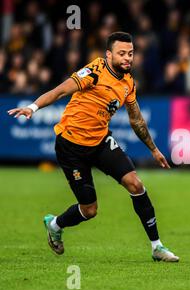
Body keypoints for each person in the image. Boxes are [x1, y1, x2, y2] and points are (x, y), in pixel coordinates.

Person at [7, 32, 179, 262]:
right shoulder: (94, 72)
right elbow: (61, 90)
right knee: (90, 210)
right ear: (108, 55)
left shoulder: (128, 82)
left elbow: (136, 119)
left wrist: (154, 150)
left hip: (100, 142)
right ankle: (55, 224)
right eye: (122, 53)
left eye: (130, 53)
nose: (127, 58)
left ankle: (157, 247)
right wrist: (33, 107)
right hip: (71, 147)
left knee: (135, 184)